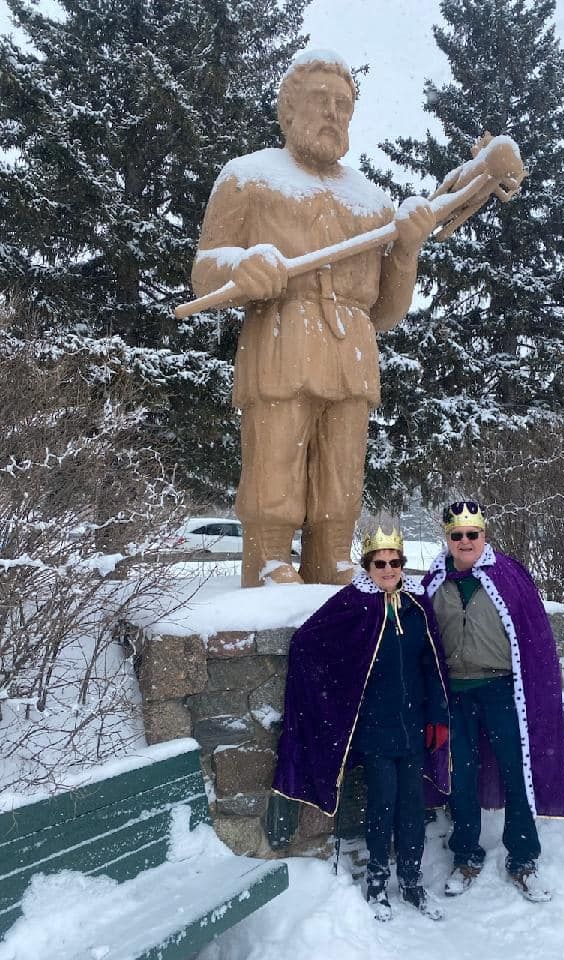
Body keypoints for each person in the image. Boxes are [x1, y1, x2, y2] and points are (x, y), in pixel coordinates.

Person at [190, 50, 435, 587]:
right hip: (281, 336)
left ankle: (332, 557)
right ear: (288, 111)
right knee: (276, 455)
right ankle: (270, 558)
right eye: (320, 101)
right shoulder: (248, 178)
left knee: (342, 469)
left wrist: (408, 249)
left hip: (351, 347)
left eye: (343, 105)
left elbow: (387, 311)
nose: (333, 114)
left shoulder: (372, 203)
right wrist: (242, 265)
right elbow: (205, 271)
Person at [273, 526, 450, 922]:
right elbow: (307, 641)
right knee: (382, 804)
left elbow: (433, 665)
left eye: (395, 563)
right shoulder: (354, 604)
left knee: (411, 807)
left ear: (403, 565)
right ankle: (376, 881)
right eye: (380, 563)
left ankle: (411, 881)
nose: (388, 569)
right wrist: (336, 699)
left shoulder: (417, 606)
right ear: (367, 566)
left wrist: (438, 715)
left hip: (413, 724)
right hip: (374, 728)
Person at [423, 500, 564, 903]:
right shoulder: (434, 581)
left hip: (503, 691)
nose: (465, 541)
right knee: (463, 776)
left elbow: (534, 634)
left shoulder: (508, 574)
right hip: (455, 694)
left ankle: (523, 858)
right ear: (448, 539)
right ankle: (466, 855)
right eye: (457, 535)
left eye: (472, 534)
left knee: (516, 773)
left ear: (483, 536)